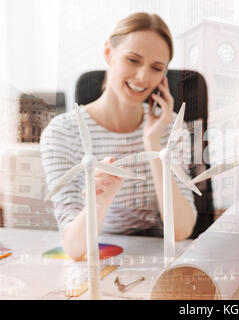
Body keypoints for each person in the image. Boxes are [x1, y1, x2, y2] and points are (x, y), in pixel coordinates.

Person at [40, 12, 197, 261]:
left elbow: (181, 230)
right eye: (133, 60)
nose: (143, 77)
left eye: (156, 68)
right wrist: (101, 200)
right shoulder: (62, 132)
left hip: (161, 260)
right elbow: (73, 248)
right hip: (100, 260)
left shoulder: (170, 127)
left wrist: (154, 145)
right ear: (108, 53)